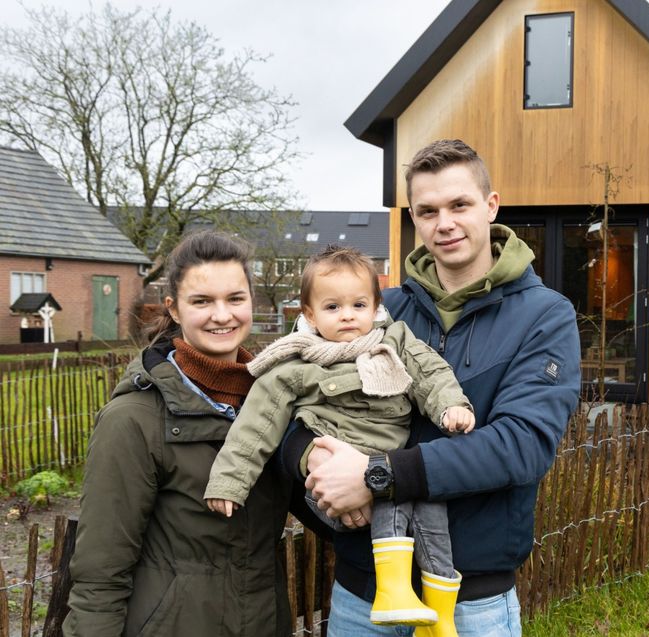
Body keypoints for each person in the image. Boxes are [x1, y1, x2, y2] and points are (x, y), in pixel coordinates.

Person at [287, 139, 582, 637]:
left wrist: (378, 474)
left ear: (490, 206)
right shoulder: (375, 311)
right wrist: (311, 457)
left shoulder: (545, 316)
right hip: (364, 594)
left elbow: (522, 445)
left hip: (472, 601)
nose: (444, 223)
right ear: (414, 219)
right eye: (427, 210)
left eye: (459, 205)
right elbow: (287, 399)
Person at [63, 231, 327, 636]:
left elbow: (323, 508)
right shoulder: (133, 420)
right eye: (202, 301)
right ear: (174, 308)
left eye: (235, 299)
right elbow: (100, 571)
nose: (222, 316)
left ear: (251, 302)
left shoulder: (274, 406)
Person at [204, 245, 475, 628]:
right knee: (394, 496)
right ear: (310, 314)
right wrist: (230, 482)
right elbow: (256, 424)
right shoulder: (297, 366)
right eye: (332, 308)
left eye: (358, 305)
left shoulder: (394, 341)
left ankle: (439, 614)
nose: (347, 315)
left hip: (386, 466)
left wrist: (450, 407)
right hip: (331, 484)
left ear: (376, 307)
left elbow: (431, 373)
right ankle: (393, 591)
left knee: (431, 505)